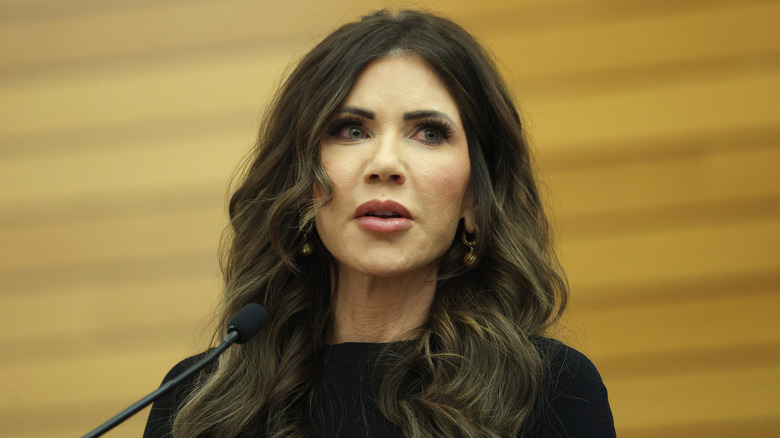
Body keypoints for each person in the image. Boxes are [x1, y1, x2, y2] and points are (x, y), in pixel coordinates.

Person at [144, 9, 615, 438]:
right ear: (303, 184)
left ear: (475, 197)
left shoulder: (549, 392)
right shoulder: (198, 404)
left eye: (428, 134)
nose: (385, 163)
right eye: (352, 130)